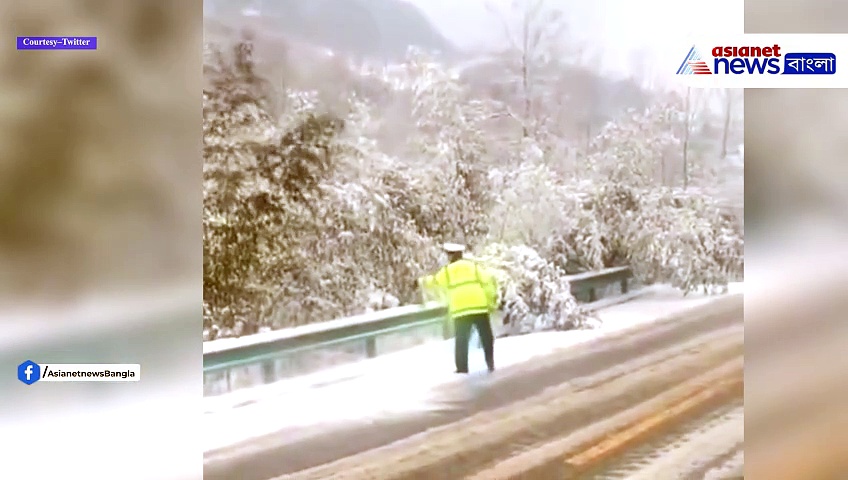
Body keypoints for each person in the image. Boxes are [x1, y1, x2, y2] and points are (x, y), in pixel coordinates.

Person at [419, 243, 499, 373]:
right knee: (486, 336)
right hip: (479, 307)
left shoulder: (447, 271)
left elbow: (434, 281)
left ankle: (462, 368)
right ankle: (490, 362)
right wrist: (490, 303)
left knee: (462, 340)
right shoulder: (474, 267)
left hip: (460, 310)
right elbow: (488, 282)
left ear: (450, 256)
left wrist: (420, 282)